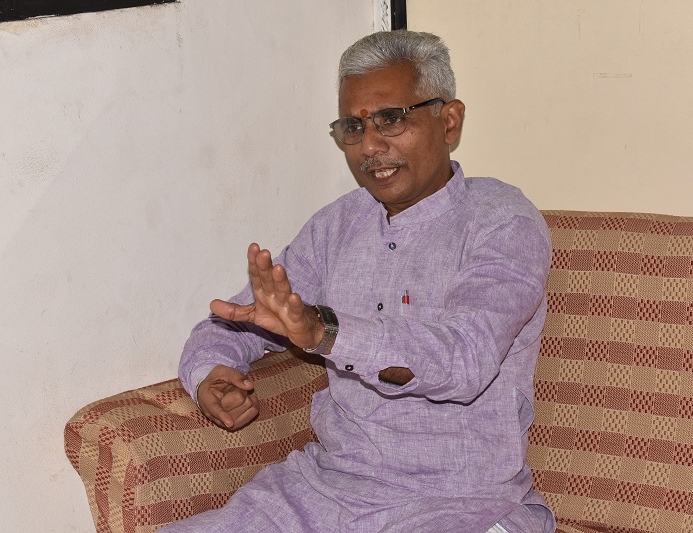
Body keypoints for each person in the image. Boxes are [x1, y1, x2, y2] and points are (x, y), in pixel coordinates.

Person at [162, 30, 555, 533]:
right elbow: (240, 320)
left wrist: (325, 331)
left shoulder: (501, 221)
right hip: (325, 491)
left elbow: (465, 359)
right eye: (353, 126)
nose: (369, 145)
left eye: (392, 119)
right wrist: (210, 374)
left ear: (449, 120)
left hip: (461, 504)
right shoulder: (337, 226)